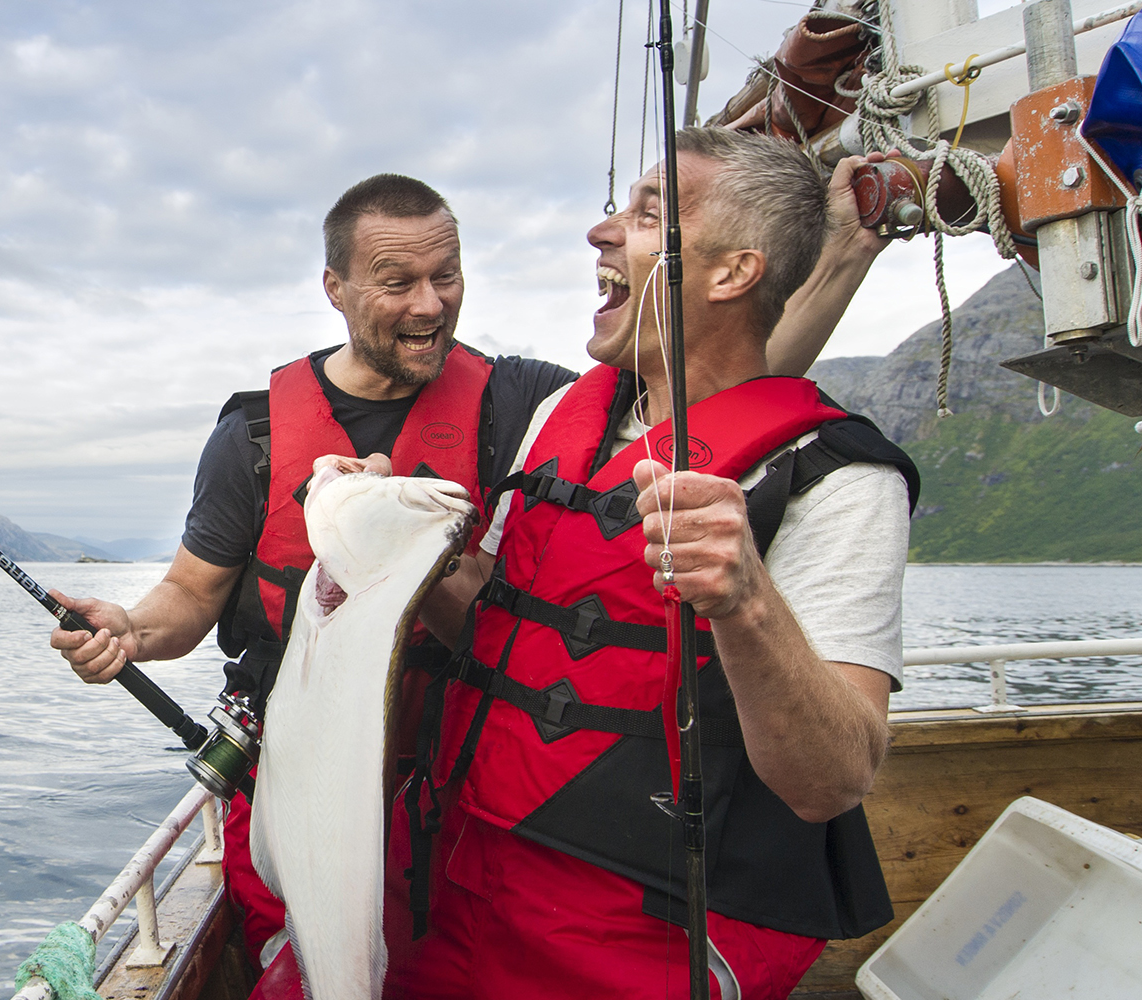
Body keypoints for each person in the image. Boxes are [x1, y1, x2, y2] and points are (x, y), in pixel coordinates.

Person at [49, 157, 892, 985]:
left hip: (486, 820)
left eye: (445, 275)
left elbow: (724, 380)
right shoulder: (260, 435)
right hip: (373, 805)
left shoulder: (526, 400)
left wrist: (840, 260)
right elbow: (192, 595)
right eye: (396, 281)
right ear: (336, 289)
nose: (430, 303)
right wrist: (133, 629)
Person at [387, 128, 915, 1000]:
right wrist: (395, 542)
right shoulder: (563, 411)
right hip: (455, 869)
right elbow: (486, 619)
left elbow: (835, 779)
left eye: (646, 214)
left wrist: (745, 600)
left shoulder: (838, 477)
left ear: (731, 273)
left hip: (647, 927)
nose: (602, 232)